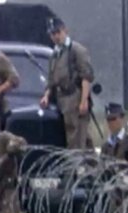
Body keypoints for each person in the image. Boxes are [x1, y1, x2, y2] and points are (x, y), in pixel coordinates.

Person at [40, 17, 95, 149]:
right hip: (62, 100)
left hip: (74, 97)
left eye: (58, 32)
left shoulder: (77, 50)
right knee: (76, 138)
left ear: (65, 31)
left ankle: (78, 168)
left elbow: (86, 77)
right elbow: (52, 79)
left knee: (76, 140)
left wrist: (83, 101)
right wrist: (46, 95)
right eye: (53, 34)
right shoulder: (55, 54)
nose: (56, 36)